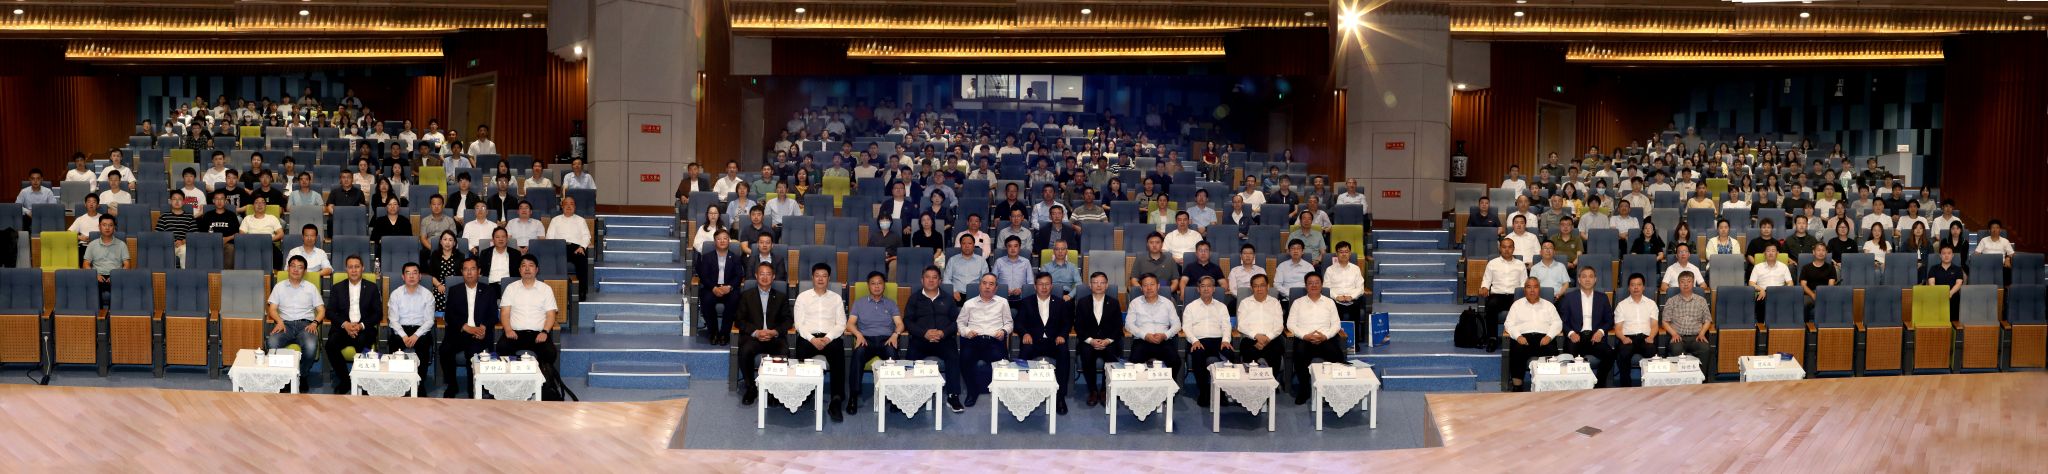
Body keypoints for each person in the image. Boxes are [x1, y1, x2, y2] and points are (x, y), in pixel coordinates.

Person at [431, 246, 500, 393]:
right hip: (459, 331)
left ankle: (472, 387)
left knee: (472, 353)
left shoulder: (488, 291)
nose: (469, 272)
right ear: (461, 272)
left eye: (472, 269)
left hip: (479, 333)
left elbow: (493, 315)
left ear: (479, 271)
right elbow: (449, 315)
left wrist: (483, 328)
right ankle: (452, 385)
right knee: (445, 350)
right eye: (466, 269)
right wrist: (465, 327)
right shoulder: (455, 290)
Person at [496, 255, 564, 399]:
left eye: (531, 265)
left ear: (537, 269)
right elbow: (505, 313)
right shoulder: (511, 288)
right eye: (524, 265)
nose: (527, 269)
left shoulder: (545, 289)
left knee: (549, 352)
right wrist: (508, 329)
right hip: (515, 333)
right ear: (519, 270)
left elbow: (551, 314)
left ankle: (546, 389)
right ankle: (511, 387)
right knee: (502, 347)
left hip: (538, 334)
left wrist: (545, 331)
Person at [790, 263, 849, 422]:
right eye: (817, 275)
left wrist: (828, 338)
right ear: (812, 277)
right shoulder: (803, 297)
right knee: (801, 350)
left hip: (830, 337)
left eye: (824, 276)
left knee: (838, 352)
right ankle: (805, 393)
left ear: (829, 278)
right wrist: (812, 339)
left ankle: (836, 400)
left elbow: (841, 324)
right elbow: (799, 324)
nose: (820, 279)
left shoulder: (836, 298)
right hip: (808, 337)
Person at [903, 266, 966, 412]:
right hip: (921, 340)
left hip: (944, 340)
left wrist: (943, 333)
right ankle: (909, 393)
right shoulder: (914, 298)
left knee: (953, 357)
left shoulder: (948, 299)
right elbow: (908, 321)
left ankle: (953, 396)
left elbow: (956, 322)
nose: (931, 280)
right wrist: (923, 333)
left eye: (934, 277)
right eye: (927, 277)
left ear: (940, 281)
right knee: (911, 357)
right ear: (922, 280)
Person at [734, 262, 794, 406]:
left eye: (768, 274)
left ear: (773, 277)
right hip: (754, 338)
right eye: (762, 274)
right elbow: (739, 320)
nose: (765, 277)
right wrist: (756, 332)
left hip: (774, 338)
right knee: (745, 351)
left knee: (784, 351)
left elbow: (788, 320)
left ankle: (775, 390)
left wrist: (775, 332)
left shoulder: (781, 297)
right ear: (756, 276)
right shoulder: (746, 295)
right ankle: (751, 388)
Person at [322, 256, 383, 393]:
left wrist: (360, 326)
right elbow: (329, 312)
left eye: (357, 267)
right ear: (346, 269)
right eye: (350, 267)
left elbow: (378, 314)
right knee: (330, 345)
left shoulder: (372, 287)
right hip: (343, 328)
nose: (354, 270)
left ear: (363, 268)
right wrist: (346, 324)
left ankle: (364, 381)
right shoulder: (337, 288)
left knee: (362, 341)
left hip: (364, 329)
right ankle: (345, 380)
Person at [1015, 272, 1074, 414]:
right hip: (1033, 341)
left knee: (1064, 352)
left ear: (1051, 286)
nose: (1044, 287)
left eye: (1047, 284)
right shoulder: (1026, 302)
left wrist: (1062, 335)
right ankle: (1023, 394)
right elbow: (1018, 323)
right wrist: (1025, 333)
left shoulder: (1060, 302)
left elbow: (1067, 323)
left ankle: (1060, 397)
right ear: (1035, 286)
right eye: (1041, 284)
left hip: (1054, 342)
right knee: (1025, 352)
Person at [846, 271, 903, 413]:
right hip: (866, 339)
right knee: (858, 353)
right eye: (873, 283)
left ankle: (895, 397)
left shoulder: (891, 304)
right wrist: (858, 334)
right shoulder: (859, 303)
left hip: (886, 339)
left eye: (879, 283)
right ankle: (853, 396)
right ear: (868, 286)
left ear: (884, 285)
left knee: (892, 354)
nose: (876, 286)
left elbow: (900, 324)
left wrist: (895, 334)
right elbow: (850, 324)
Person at [1287, 272, 1346, 404]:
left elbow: (1336, 324)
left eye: (1316, 283)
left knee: (1337, 355)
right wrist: (1304, 335)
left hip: (1325, 339)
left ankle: (1335, 389)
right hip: (1305, 339)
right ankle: (1304, 389)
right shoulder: (1298, 303)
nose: (1313, 285)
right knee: (1299, 353)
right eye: (1310, 283)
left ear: (1321, 285)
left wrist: (1325, 336)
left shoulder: (1329, 302)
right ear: (1305, 286)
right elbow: (1290, 324)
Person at [956, 274, 1013, 407]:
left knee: (1002, 362)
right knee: (965, 359)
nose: (987, 286)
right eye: (984, 283)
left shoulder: (1003, 302)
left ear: (996, 288)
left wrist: (1003, 331)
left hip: (994, 340)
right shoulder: (969, 304)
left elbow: (1009, 323)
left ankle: (1001, 392)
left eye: (991, 284)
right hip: (973, 339)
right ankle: (972, 391)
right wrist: (967, 332)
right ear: (980, 285)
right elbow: (960, 323)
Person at [266, 256, 325, 383]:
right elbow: (272, 309)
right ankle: (283, 376)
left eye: (300, 267)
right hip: (285, 325)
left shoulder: (311, 288)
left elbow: (321, 310)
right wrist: (279, 321)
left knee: (310, 346)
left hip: (306, 326)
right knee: (272, 343)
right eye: (293, 266)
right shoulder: (279, 287)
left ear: (305, 271)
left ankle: (302, 376)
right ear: (288, 268)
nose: (296, 270)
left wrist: (315, 323)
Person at [1556, 266, 1616, 387]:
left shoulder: (1602, 298)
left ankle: (1599, 384)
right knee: (1570, 352)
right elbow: (1563, 321)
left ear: (1595, 279)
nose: (1587, 279)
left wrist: (1600, 332)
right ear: (1579, 280)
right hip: (1576, 336)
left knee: (1610, 353)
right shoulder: (1569, 297)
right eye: (1584, 276)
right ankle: (1574, 386)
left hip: (1595, 337)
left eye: (1590, 276)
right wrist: (1571, 333)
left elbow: (1610, 320)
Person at [1071, 271, 1123, 407]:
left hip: (1108, 341)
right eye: (1095, 282)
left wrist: (1107, 341)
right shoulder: (1082, 302)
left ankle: (1105, 390)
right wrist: (1091, 341)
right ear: (1090, 285)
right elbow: (1078, 326)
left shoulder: (1114, 302)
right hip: (1089, 341)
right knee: (1086, 353)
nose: (1098, 285)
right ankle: (1093, 390)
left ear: (1107, 285)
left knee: (1111, 353)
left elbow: (1118, 326)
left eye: (1102, 283)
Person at [1182, 276, 1233, 407]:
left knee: (1230, 354)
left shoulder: (1221, 307)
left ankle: (1223, 392)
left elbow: (1226, 326)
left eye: (1209, 286)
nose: (1206, 289)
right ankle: (1204, 392)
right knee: (1198, 354)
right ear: (1198, 289)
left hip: (1218, 341)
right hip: (1199, 341)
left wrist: (1226, 340)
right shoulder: (1191, 307)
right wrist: (1194, 341)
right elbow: (1186, 327)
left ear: (1214, 289)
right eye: (1203, 286)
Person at [1504, 277, 1561, 391]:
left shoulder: (1548, 305)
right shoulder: (1517, 305)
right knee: (1516, 349)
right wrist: (1518, 336)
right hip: (1523, 339)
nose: (1532, 290)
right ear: (1524, 289)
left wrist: (1549, 336)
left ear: (1539, 289)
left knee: (1551, 349)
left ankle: (1548, 385)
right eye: (1529, 287)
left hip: (1543, 339)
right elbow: (1508, 323)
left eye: (1535, 287)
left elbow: (1558, 323)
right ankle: (1517, 386)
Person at [1125, 273, 1182, 380]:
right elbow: (1128, 324)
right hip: (1142, 341)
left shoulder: (1168, 303)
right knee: (1134, 362)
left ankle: (1168, 388)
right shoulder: (1135, 303)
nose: (1149, 288)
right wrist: (1145, 335)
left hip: (1163, 341)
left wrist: (1165, 335)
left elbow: (1177, 325)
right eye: (1145, 285)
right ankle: (1141, 388)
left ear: (1158, 286)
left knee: (1175, 362)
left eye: (1152, 284)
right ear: (1141, 288)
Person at [385, 263, 436, 379]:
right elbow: (393, 320)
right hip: (401, 329)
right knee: (394, 342)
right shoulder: (396, 294)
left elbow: (429, 321)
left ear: (420, 276)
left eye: (415, 273)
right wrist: (404, 336)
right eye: (408, 273)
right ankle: (396, 380)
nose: (411, 276)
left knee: (424, 344)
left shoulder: (428, 295)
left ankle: (420, 381)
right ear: (403, 277)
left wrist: (416, 335)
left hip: (420, 330)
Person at [1610, 273, 1661, 387]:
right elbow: (1618, 329)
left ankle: (1652, 386)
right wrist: (1623, 338)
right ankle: (1626, 386)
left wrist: (1651, 337)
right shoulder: (1621, 305)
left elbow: (1654, 325)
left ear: (1643, 287)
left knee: (1652, 351)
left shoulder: (1651, 304)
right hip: (1628, 338)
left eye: (1639, 284)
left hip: (1646, 337)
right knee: (1623, 353)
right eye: (1633, 285)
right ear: (1629, 288)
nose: (1636, 287)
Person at [694, 230, 743, 345]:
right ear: (715, 241)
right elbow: (704, 276)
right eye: (719, 239)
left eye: (725, 238)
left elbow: (738, 276)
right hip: (711, 288)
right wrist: (714, 288)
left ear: (729, 241)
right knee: (706, 299)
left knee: (734, 299)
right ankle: (713, 333)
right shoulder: (707, 257)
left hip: (728, 288)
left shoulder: (735, 257)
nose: (722, 241)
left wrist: (729, 287)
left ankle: (725, 334)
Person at [1661, 271, 1711, 359]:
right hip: (1678, 337)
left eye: (1689, 281)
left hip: (1696, 337)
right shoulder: (1671, 301)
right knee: (1676, 349)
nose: (1686, 284)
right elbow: (1665, 321)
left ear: (1693, 283)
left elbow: (1707, 320)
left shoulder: (1701, 301)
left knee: (1705, 348)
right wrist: (1674, 334)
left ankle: (1701, 369)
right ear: (1679, 284)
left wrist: (1702, 333)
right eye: (1682, 281)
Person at [81, 215, 126, 307]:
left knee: (121, 286)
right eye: (104, 225)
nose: (107, 228)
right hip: (97, 275)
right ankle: (99, 314)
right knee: (92, 286)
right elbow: (85, 263)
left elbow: (127, 264)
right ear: (99, 227)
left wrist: (117, 275)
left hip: (116, 276)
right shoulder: (92, 244)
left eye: (110, 225)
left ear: (114, 227)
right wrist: (94, 275)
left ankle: (114, 313)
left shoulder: (122, 244)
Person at [1925, 244, 1967, 321]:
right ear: (1940, 255)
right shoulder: (1933, 268)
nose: (1946, 255)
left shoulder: (1958, 269)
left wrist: (1950, 293)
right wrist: (1939, 295)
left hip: (1953, 296)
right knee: (1936, 320)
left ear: (1952, 255)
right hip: (1937, 297)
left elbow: (1959, 283)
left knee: (1953, 320)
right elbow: (1931, 283)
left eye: (1949, 253)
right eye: (1944, 253)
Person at [942, 233, 989, 300]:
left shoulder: (982, 261)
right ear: (960, 245)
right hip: (956, 294)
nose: (967, 246)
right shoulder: (952, 260)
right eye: (964, 243)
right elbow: (946, 279)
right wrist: (953, 290)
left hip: (975, 295)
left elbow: (985, 280)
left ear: (974, 245)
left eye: (969, 243)